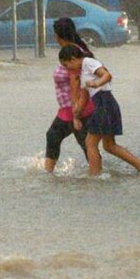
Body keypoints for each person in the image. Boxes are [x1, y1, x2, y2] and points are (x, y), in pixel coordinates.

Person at [58, 44, 140, 177]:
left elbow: (107, 75)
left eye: (67, 65)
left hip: (104, 103)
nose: (68, 69)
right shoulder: (83, 74)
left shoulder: (89, 62)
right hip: (107, 104)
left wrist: (96, 83)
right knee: (109, 145)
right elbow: (83, 99)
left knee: (90, 143)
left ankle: (95, 176)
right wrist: (76, 116)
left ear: (73, 59)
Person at [43, 18, 94, 173]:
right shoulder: (74, 50)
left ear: (59, 35)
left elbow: (76, 83)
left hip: (75, 108)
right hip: (69, 108)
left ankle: (97, 174)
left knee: (85, 143)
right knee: (55, 136)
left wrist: (76, 113)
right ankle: (49, 173)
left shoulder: (74, 54)